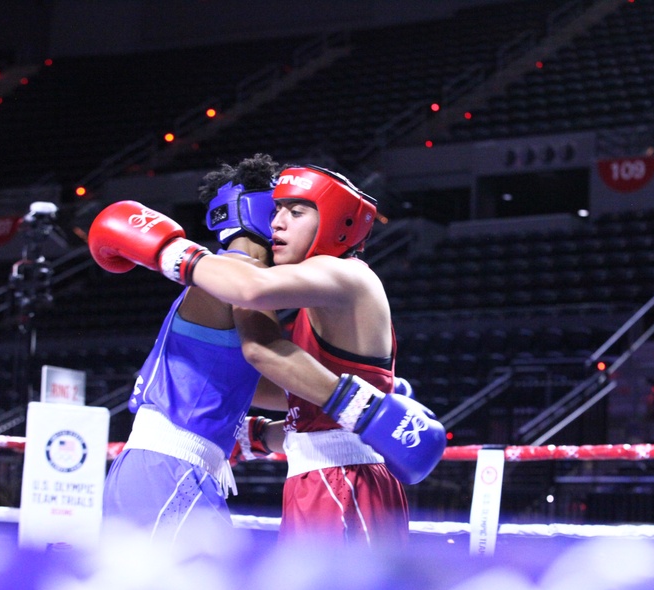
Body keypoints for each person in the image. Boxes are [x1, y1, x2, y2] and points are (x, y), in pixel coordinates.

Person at [89, 165, 446, 547]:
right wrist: (257, 433)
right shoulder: (246, 278)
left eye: (295, 212)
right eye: (276, 210)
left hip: (331, 477)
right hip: (183, 468)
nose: (278, 223)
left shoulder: (336, 274)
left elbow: (262, 348)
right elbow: (271, 371)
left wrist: (167, 250)